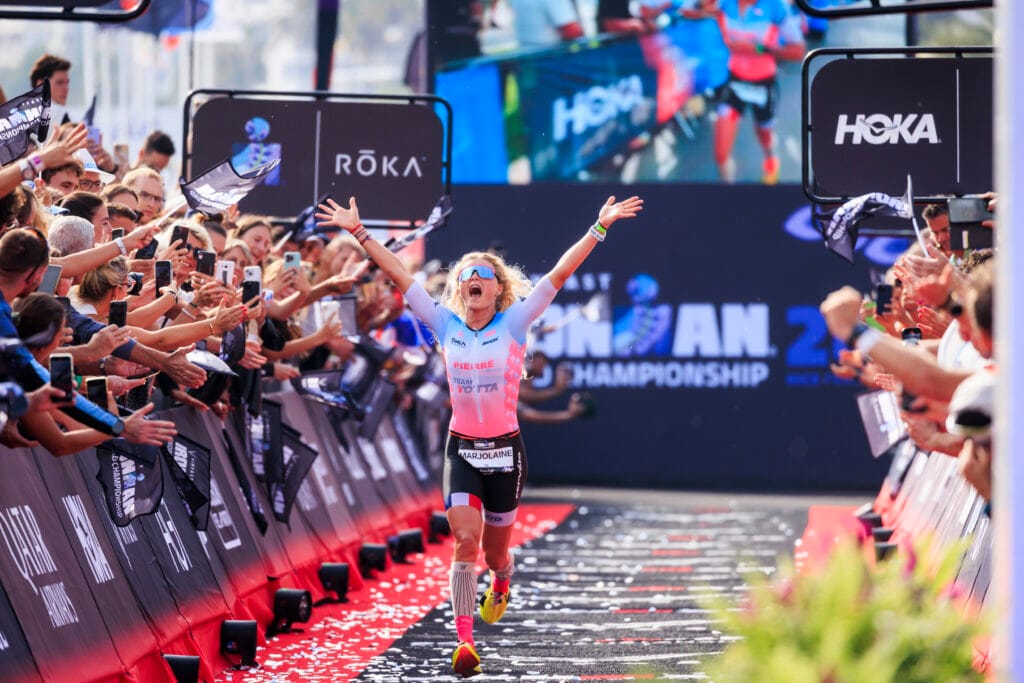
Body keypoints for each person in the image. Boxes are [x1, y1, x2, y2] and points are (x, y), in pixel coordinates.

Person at [316, 193, 643, 678]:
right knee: (465, 543)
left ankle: (504, 578)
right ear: (459, 288)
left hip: (506, 453)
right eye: (467, 274)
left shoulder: (515, 322)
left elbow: (559, 273)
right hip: (463, 449)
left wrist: (600, 226)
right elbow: (400, 276)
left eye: (483, 275)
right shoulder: (443, 323)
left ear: (498, 290)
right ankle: (464, 641)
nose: (473, 279)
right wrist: (360, 233)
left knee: (495, 553)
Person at [696, 0, 806, 184]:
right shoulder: (724, 3)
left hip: (763, 84)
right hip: (734, 81)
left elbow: (798, 51)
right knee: (721, 153)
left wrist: (759, 48)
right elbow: (698, 9)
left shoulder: (776, 6)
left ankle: (771, 158)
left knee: (764, 133)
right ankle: (728, 195)